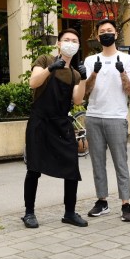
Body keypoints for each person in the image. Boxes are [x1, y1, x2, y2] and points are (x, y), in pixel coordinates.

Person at [22, 28, 89, 229]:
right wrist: (50, 69)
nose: (70, 43)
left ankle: (70, 212)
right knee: (34, 168)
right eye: (66, 39)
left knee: (71, 167)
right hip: (40, 121)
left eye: (74, 41)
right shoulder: (45, 60)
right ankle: (29, 213)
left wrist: (84, 79)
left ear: (78, 46)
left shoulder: (74, 73)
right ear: (59, 44)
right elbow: (33, 83)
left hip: (61, 123)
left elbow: (77, 100)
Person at [84, 19, 130, 222]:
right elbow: (86, 90)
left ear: (116, 34)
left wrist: (122, 72)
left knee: (120, 162)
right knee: (97, 162)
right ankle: (102, 201)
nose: (106, 33)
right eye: (102, 31)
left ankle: (125, 203)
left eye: (109, 30)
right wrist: (94, 73)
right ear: (98, 37)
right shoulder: (90, 60)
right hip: (94, 116)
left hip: (116, 116)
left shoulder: (127, 59)